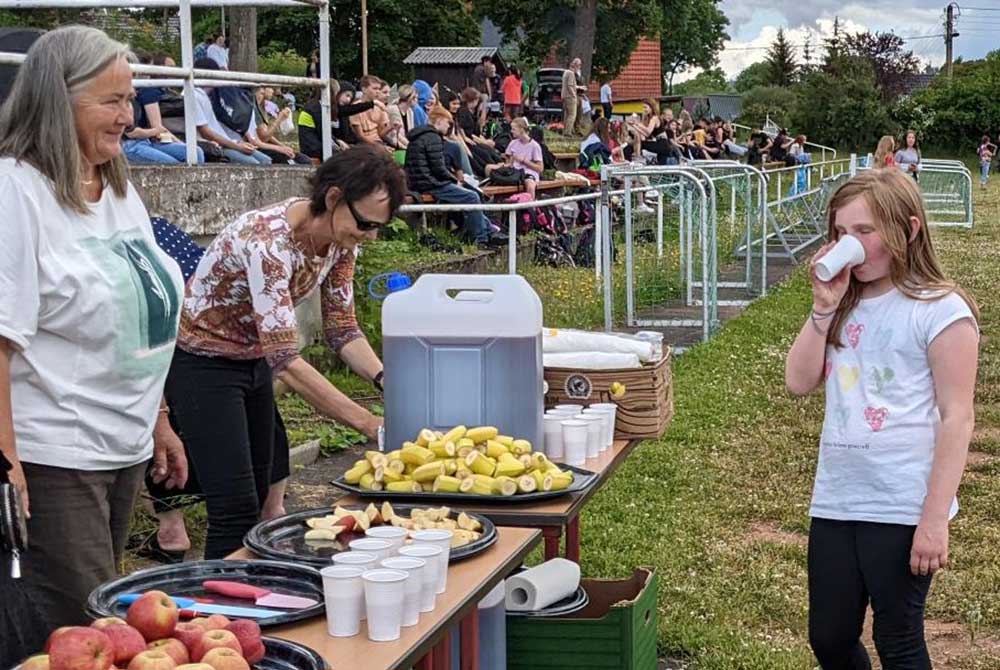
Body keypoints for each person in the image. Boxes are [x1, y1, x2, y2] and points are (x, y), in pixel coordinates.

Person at [0, 26, 187, 624]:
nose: (128, 117)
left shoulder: (114, 185)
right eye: (112, 101)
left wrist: (158, 420)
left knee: (101, 617)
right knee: (81, 628)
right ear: (58, 100)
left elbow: (140, 314)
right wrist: (6, 467)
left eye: (129, 100)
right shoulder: (16, 192)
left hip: (122, 444)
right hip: (56, 454)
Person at [785, 168, 978, 670]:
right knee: (828, 637)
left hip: (901, 504)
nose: (851, 244)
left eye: (865, 232)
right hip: (838, 497)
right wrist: (822, 308)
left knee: (898, 639)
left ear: (909, 230)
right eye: (841, 234)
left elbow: (957, 417)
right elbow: (798, 381)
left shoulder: (940, 309)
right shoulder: (843, 305)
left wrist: (934, 520)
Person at [174, 146, 402, 559]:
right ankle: (213, 611)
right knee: (234, 507)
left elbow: (342, 328)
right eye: (366, 223)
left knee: (263, 495)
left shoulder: (339, 241)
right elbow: (288, 362)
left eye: (378, 227)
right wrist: (370, 425)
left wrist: (389, 384)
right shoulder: (269, 241)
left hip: (252, 358)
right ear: (333, 198)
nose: (369, 235)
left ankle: (253, 595)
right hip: (202, 364)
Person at [405, 107, 492, 245]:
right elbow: (438, 168)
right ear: (439, 121)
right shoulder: (433, 137)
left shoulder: (419, 136)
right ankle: (481, 238)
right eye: (447, 123)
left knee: (469, 195)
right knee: (472, 196)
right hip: (430, 183)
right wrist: (454, 180)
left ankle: (488, 231)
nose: (448, 127)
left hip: (420, 181)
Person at [124, 53, 204, 165]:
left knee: (196, 153)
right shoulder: (144, 93)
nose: (148, 73)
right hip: (130, 145)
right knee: (174, 166)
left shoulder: (137, 93)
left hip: (145, 141)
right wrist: (156, 131)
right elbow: (132, 133)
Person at [191, 58, 271, 165]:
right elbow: (206, 133)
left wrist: (237, 143)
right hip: (214, 146)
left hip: (228, 143)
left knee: (266, 160)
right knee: (253, 164)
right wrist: (237, 146)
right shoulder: (194, 95)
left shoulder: (209, 95)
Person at [492, 117, 543, 199]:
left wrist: (524, 161)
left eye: (514, 129)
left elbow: (540, 168)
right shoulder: (513, 143)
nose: (511, 131)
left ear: (522, 130)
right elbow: (508, 162)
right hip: (514, 171)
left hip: (528, 172)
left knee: (530, 185)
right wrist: (506, 163)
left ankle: (531, 208)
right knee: (489, 168)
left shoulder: (535, 146)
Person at [350, 75, 390, 148]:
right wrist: (379, 147)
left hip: (379, 142)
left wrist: (392, 126)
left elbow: (381, 133)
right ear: (364, 89)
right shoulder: (355, 108)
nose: (377, 91)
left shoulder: (379, 107)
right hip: (363, 145)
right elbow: (360, 136)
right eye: (375, 88)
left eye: (379, 89)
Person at [561, 58, 586, 136]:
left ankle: (565, 130)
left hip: (564, 96)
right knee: (572, 115)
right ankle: (568, 132)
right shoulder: (571, 73)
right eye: (578, 65)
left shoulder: (565, 72)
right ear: (574, 65)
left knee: (567, 114)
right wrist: (574, 95)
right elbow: (570, 86)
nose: (579, 67)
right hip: (570, 97)